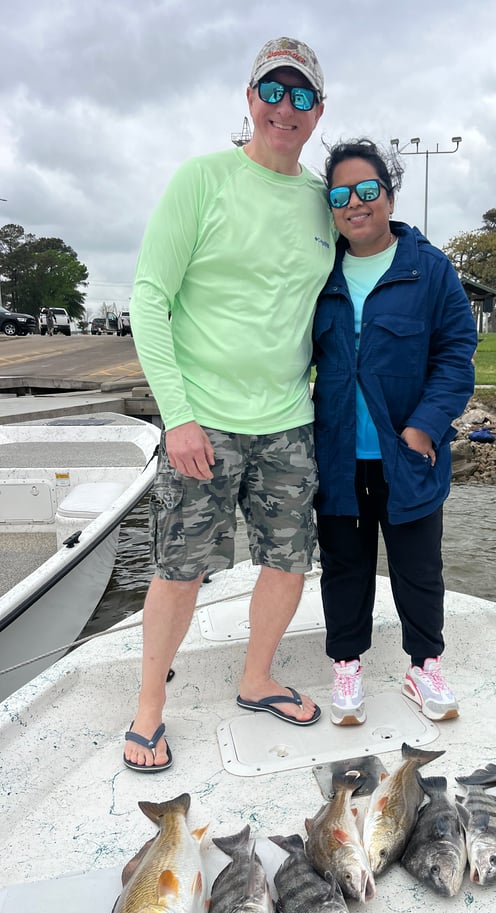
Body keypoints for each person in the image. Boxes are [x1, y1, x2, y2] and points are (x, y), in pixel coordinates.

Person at [123, 37, 336, 771]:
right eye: (273, 92)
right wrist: (175, 415)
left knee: (288, 561)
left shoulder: (322, 199)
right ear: (250, 100)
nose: (286, 108)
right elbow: (149, 300)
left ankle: (258, 678)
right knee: (179, 567)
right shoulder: (201, 179)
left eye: (302, 96)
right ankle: (149, 708)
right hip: (203, 419)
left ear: (318, 112)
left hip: (289, 419)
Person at [312, 139, 477, 726]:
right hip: (335, 456)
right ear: (330, 205)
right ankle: (347, 666)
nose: (354, 203)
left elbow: (458, 353)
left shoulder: (428, 268)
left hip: (406, 455)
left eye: (366, 190)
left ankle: (423, 665)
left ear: (388, 194)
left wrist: (425, 428)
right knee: (344, 566)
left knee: (418, 566)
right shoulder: (318, 268)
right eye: (340, 194)